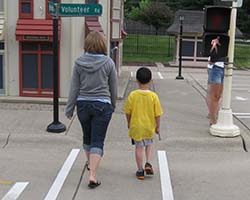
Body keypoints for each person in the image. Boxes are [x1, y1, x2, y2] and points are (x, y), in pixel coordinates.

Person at [65, 31, 117, 189]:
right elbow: (113, 87)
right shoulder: (108, 63)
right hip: (102, 104)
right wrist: (112, 105)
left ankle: (90, 164)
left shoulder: (78, 62)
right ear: (102, 44)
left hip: (83, 105)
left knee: (87, 138)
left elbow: (74, 87)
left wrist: (69, 108)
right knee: (98, 140)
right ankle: (92, 174)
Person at [123, 67, 163, 180]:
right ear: (151, 81)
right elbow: (158, 114)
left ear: (137, 80)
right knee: (149, 145)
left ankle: (140, 171)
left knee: (138, 148)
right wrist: (158, 126)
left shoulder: (132, 95)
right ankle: (148, 163)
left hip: (136, 126)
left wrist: (129, 123)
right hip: (149, 126)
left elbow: (127, 112)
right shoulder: (153, 96)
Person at [206, 36, 224, 125]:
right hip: (215, 67)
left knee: (219, 95)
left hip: (224, 67)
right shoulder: (214, 35)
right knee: (214, 95)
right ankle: (213, 120)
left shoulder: (225, 37)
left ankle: (213, 114)